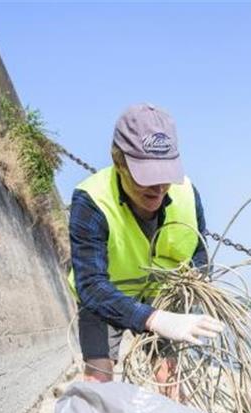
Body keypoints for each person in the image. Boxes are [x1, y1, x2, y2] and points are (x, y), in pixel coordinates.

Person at [68, 103, 224, 393]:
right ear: (119, 162)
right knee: (98, 383)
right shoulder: (91, 200)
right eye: (147, 175)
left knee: (171, 383)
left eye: (165, 174)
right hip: (106, 299)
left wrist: (186, 300)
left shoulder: (188, 194)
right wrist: (155, 319)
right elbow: (90, 285)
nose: (159, 187)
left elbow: (199, 257)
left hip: (163, 298)